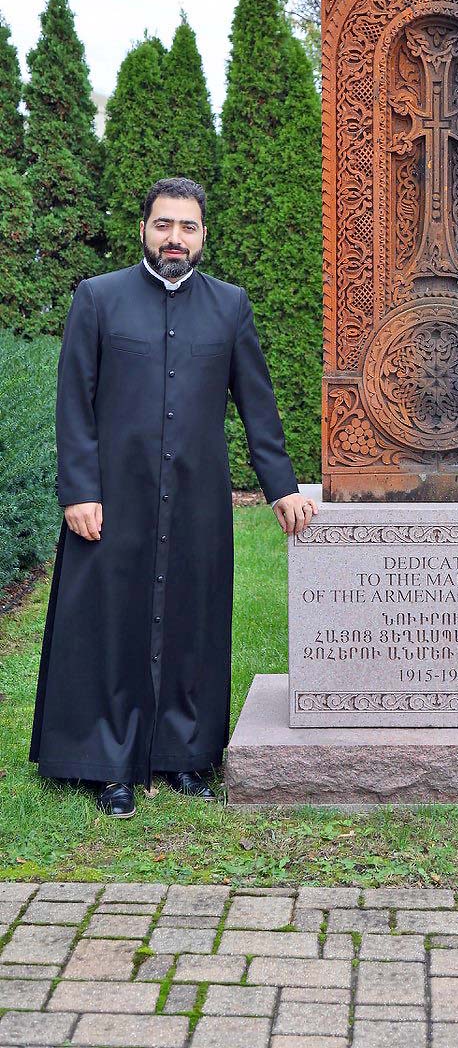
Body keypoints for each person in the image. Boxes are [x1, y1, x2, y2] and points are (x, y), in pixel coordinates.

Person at [30, 177, 318, 818]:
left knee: (191, 622)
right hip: (113, 499)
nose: (175, 238)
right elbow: (73, 404)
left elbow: (258, 408)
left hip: (196, 500)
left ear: (204, 236)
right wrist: (79, 491)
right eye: (164, 225)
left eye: (188, 227)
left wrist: (282, 489)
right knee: (113, 624)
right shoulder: (98, 299)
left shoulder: (230, 307)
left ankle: (185, 756)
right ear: (144, 230)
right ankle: (112, 763)